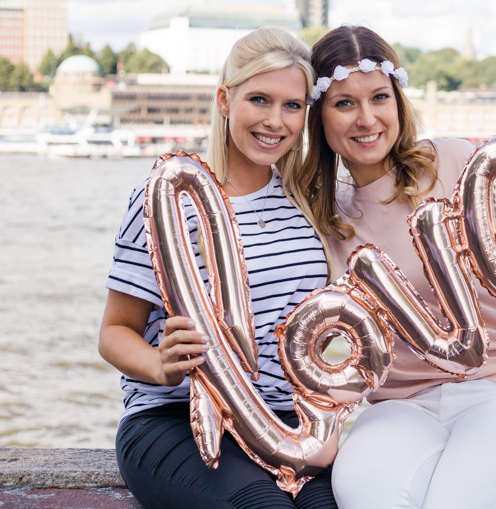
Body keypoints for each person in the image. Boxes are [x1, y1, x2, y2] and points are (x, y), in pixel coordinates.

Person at [297, 25, 496, 509]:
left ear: (399, 101)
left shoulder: (455, 164)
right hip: (399, 407)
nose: (366, 118)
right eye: (344, 103)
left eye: (379, 97)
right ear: (318, 115)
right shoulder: (319, 218)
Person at [98, 27, 338, 509]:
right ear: (225, 100)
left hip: (285, 423)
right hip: (175, 420)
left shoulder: (309, 203)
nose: (276, 120)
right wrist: (159, 366)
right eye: (259, 100)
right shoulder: (168, 200)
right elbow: (114, 332)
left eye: (292, 105)